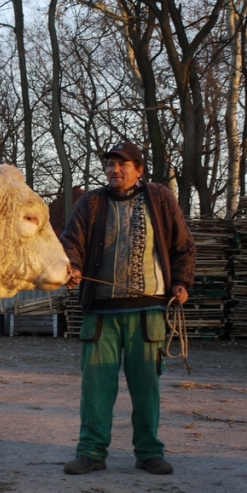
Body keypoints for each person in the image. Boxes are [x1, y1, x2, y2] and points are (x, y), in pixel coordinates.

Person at [61, 141, 195, 475]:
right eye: (110, 165)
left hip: (148, 311)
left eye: (123, 165)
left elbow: (183, 244)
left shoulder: (160, 198)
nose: (115, 170)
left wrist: (182, 282)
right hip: (101, 313)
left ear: (139, 169)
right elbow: (71, 243)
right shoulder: (90, 202)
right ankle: (91, 452)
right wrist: (72, 268)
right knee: (96, 388)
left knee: (146, 387)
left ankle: (149, 452)